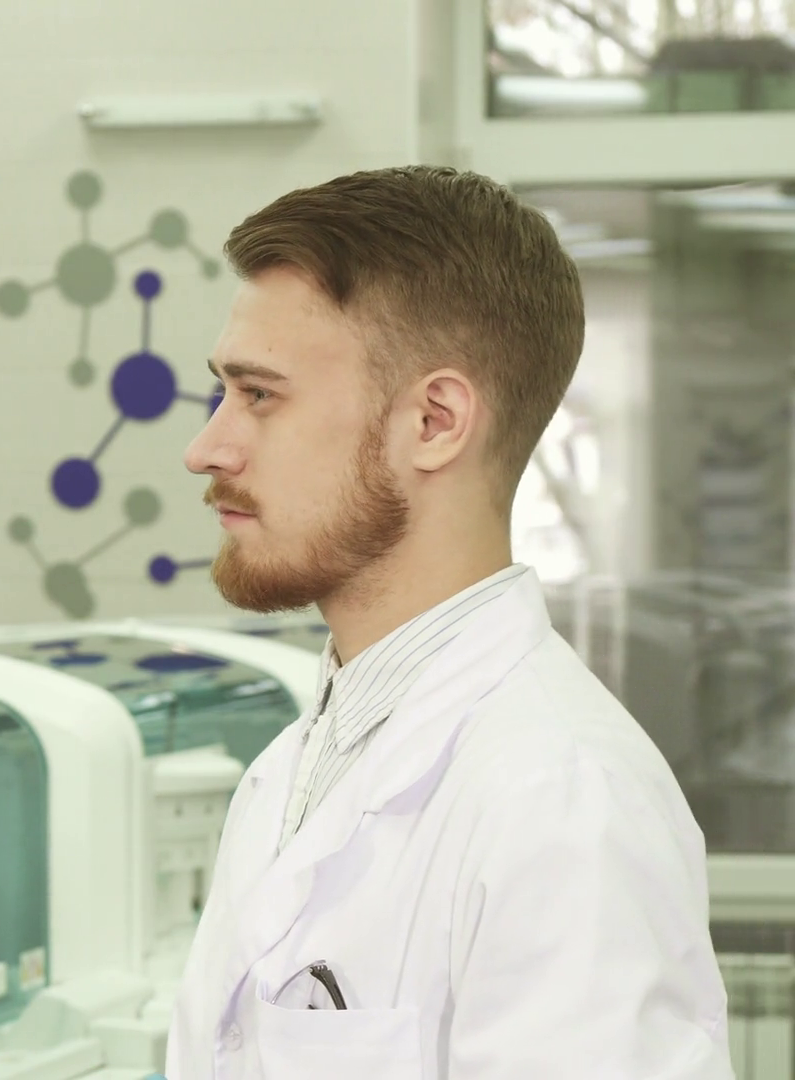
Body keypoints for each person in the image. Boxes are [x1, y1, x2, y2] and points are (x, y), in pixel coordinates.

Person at [167, 166, 730, 1078]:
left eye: (258, 394)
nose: (206, 448)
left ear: (434, 421)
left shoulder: (559, 802)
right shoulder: (298, 767)